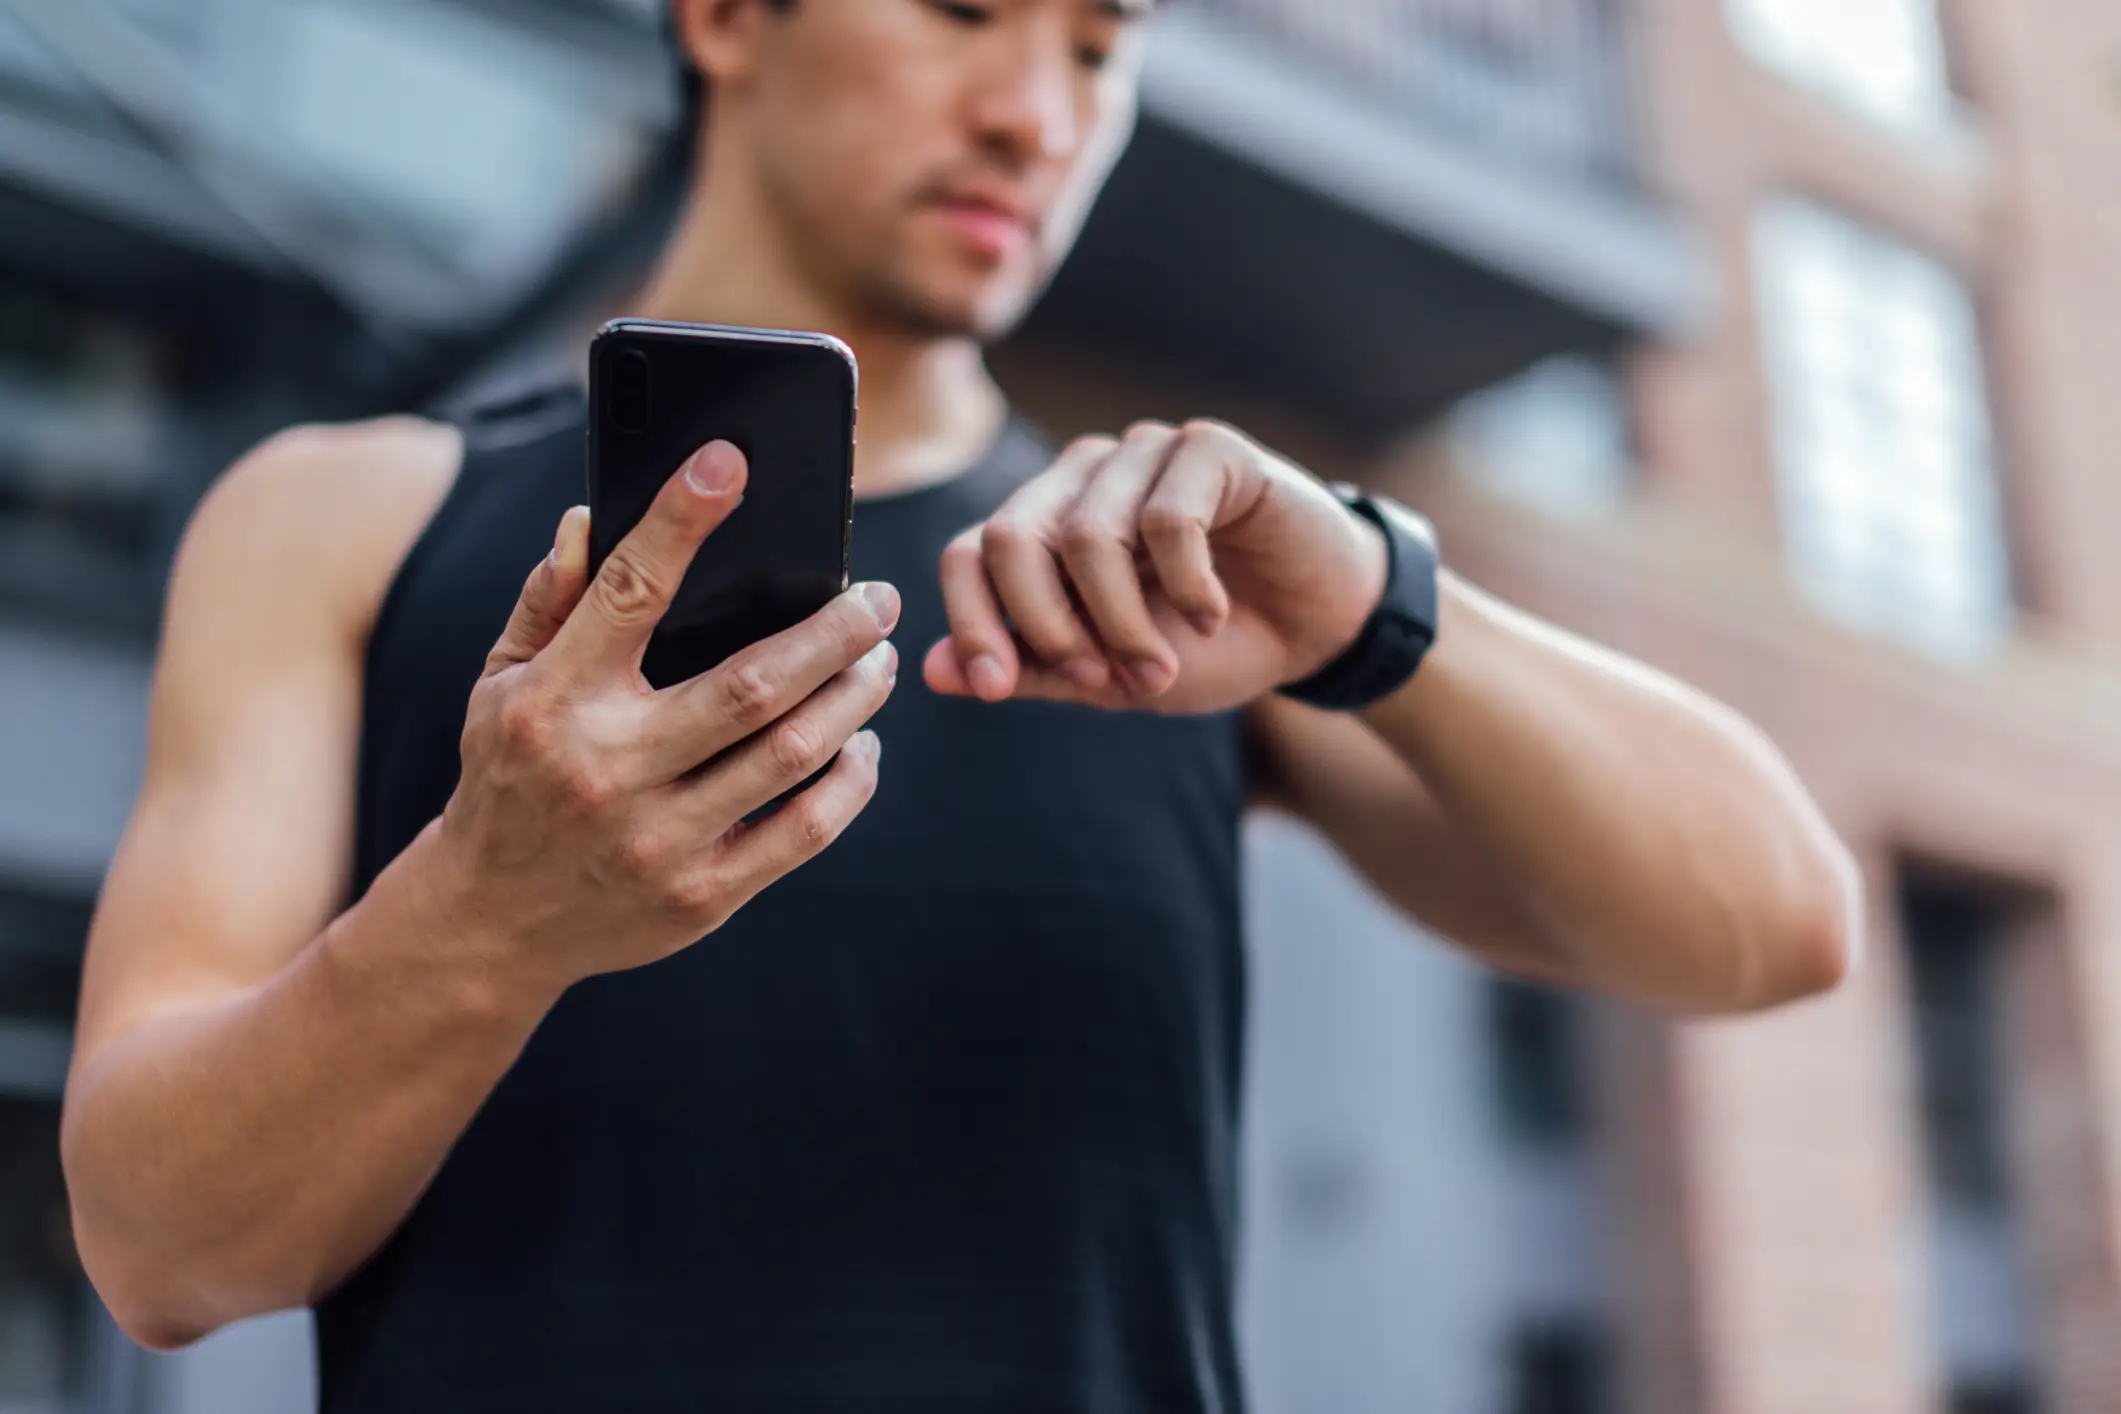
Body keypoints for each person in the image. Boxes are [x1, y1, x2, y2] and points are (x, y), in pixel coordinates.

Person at [60, 0, 1858, 1408]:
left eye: (1103, 41)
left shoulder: (1176, 585)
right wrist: (487, 915)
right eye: (961, 9)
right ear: (725, 15)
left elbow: (1778, 925)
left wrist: (1380, 602)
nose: (1041, 114)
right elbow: (161, 1244)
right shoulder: (343, 516)